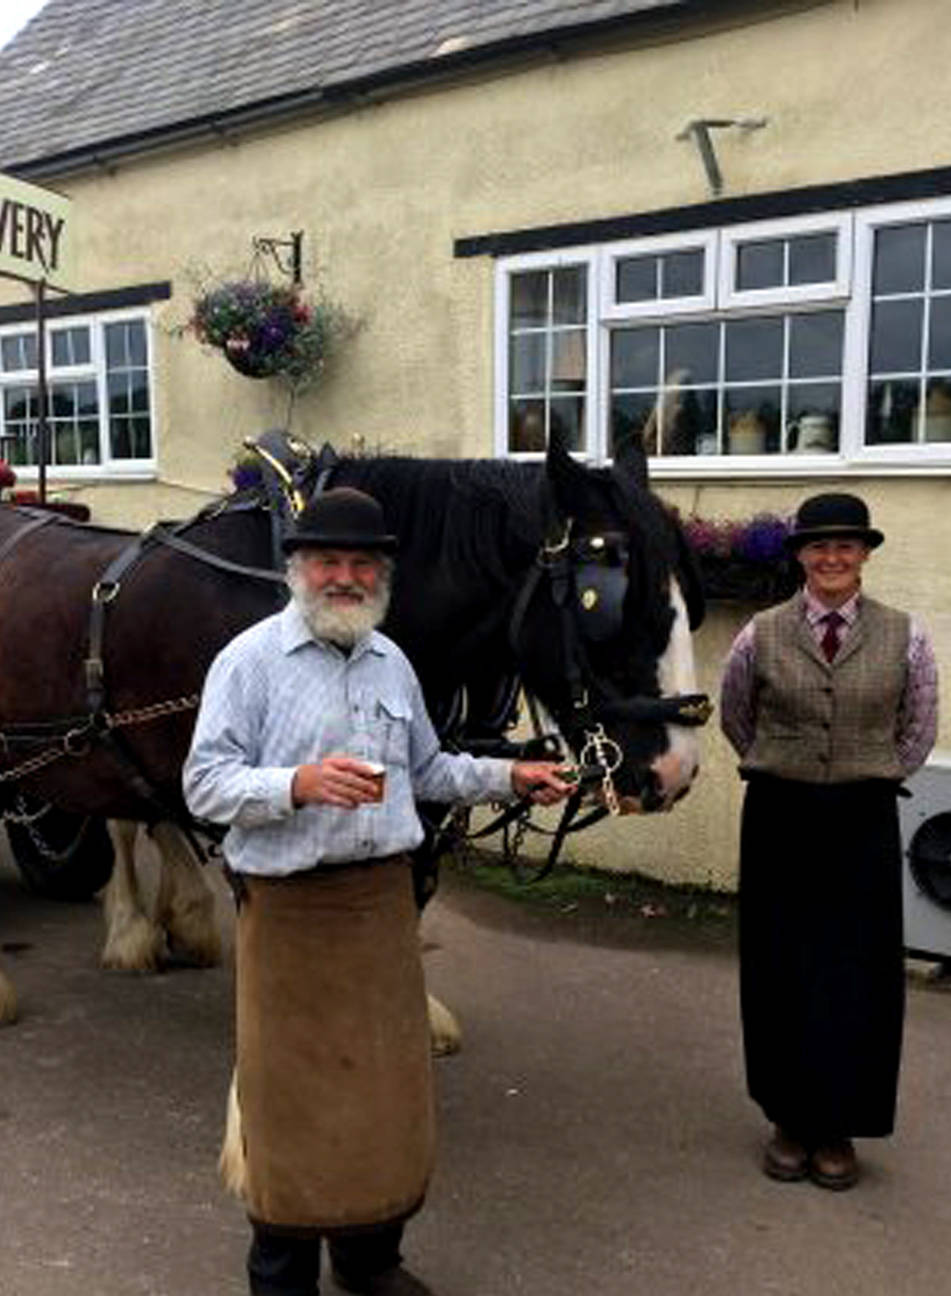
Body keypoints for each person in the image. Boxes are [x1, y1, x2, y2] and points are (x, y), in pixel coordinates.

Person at [182, 487, 575, 1296]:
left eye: (363, 564)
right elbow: (204, 786)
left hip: (379, 914)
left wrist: (512, 776)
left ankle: (369, 1262)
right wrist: (299, 783)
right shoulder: (248, 661)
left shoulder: (393, 661)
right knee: (287, 1110)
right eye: (329, 560)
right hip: (289, 916)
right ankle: (281, 1276)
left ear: (383, 576)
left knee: (384, 1106)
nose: (346, 577)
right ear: (298, 568)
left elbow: (428, 772)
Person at [718, 492, 938, 1191]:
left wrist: (864, 775)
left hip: (862, 819)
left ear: (865, 554)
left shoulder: (907, 635)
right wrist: (788, 767)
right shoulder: (760, 632)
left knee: (856, 976)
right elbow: (736, 716)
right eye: (819, 546)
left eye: (846, 545)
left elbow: (918, 729)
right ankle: (787, 1118)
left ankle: (839, 1125)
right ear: (801, 557)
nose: (832, 557)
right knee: (780, 967)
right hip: (780, 815)